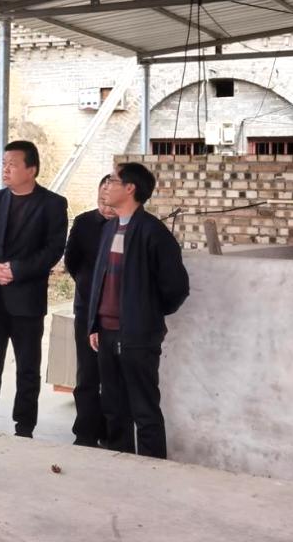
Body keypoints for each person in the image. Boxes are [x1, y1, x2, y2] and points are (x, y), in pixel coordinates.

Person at [87, 162, 190, 459]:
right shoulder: (109, 229)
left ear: (130, 188)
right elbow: (99, 280)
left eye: (113, 181)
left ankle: (152, 469)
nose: (107, 186)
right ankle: (121, 466)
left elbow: (176, 287)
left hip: (138, 336)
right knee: (113, 408)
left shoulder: (153, 232)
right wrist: (94, 323)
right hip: (106, 334)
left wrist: (145, 314)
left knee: (144, 409)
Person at [0, 140, 68, 437]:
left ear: (31, 169)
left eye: (12, 164)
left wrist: (17, 270)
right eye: (4, 163)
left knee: (27, 368)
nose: (6, 169)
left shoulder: (53, 204)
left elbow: (53, 249)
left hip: (27, 299)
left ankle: (24, 426)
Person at [63, 174, 115, 447]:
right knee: (87, 373)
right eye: (101, 201)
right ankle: (85, 432)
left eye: (110, 202)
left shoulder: (127, 227)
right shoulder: (84, 223)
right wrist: (89, 287)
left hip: (116, 312)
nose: (106, 207)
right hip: (87, 307)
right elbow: (71, 261)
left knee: (113, 375)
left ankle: (111, 432)